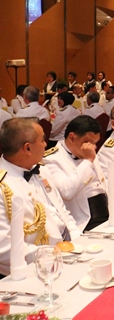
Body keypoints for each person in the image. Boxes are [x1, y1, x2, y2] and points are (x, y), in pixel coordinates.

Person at [0, 118, 81, 277]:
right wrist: (54, 254)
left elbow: (62, 212)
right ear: (28, 148)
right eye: (42, 140)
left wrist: (78, 240)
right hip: (32, 270)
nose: (46, 144)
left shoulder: (42, 169)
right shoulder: (3, 185)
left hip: (67, 254)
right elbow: (4, 248)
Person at [43, 115, 108, 231]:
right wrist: (88, 161)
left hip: (106, 211)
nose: (92, 147)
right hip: (84, 220)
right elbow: (67, 192)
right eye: (87, 142)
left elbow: (104, 181)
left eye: (95, 142)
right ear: (72, 137)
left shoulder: (89, 151)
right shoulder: (51, 159)